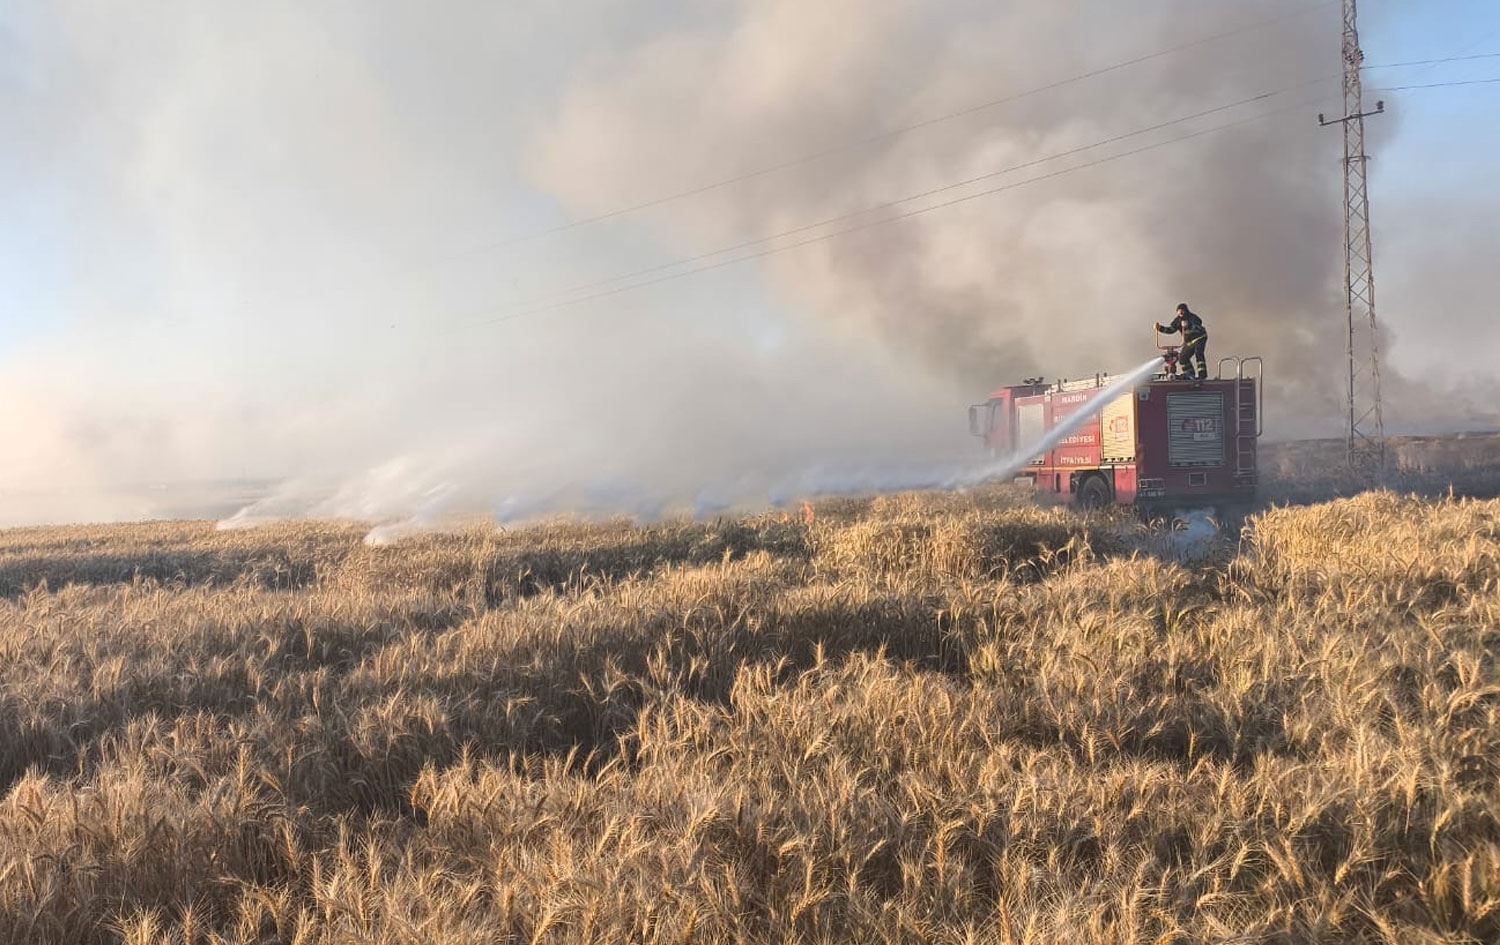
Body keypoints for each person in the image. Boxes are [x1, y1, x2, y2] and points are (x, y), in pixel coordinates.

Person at [1156, 303, 1208, 380]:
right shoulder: (1178, 320)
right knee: (1182, 358)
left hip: (1199, 338)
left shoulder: (1193, 318)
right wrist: (1160, 328)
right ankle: (1190, 374)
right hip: (1189, 342)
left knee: (1198, 353)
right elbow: (1171, 330)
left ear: (1186, 311)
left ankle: (1202, 375)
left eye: (1182, 311)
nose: (1181, 313)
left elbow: (1198, 327)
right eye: (1179, 311)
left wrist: (1188, 326)